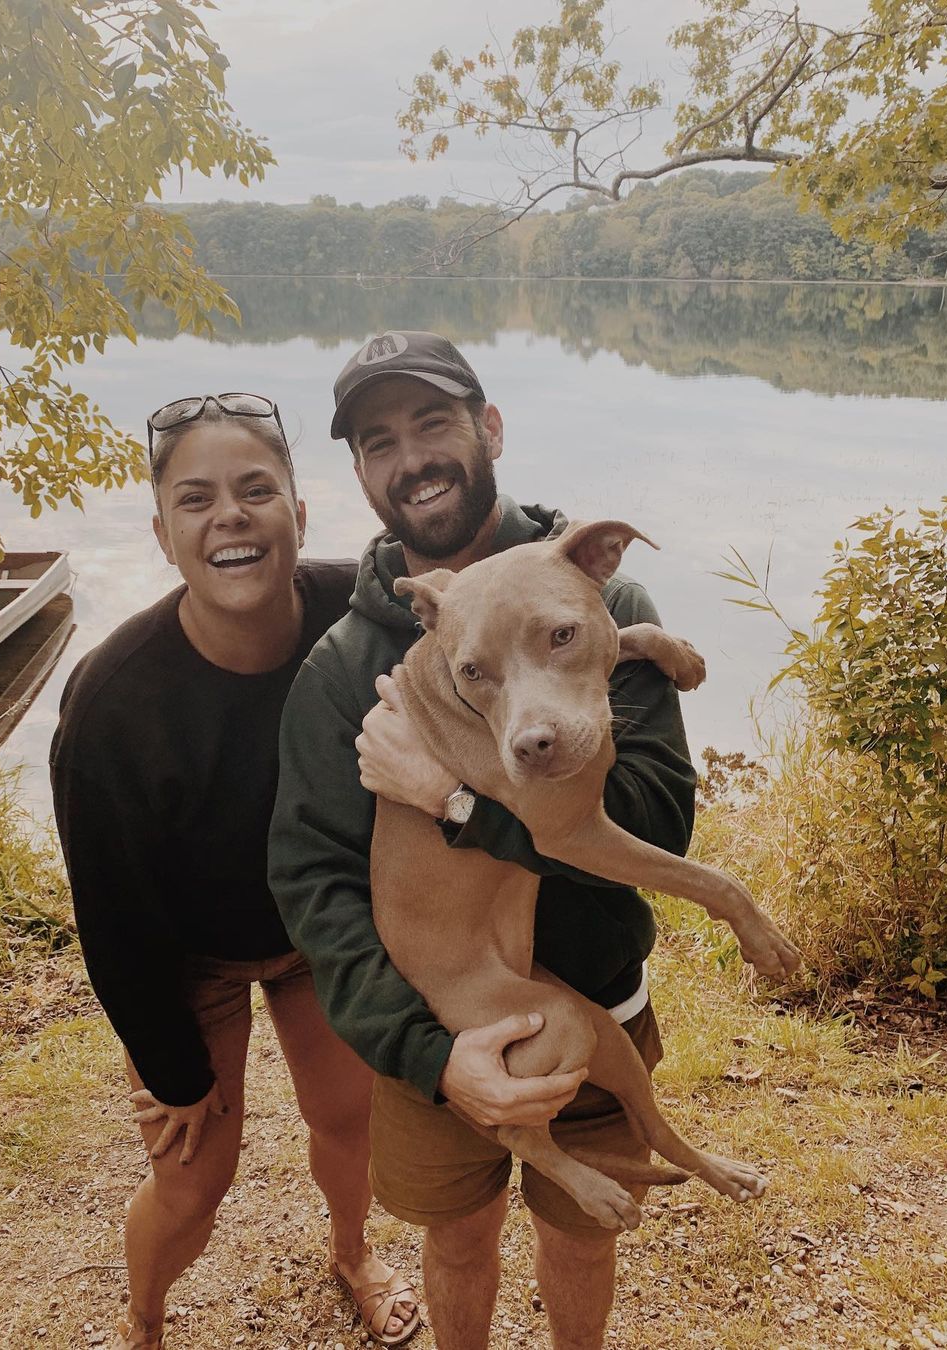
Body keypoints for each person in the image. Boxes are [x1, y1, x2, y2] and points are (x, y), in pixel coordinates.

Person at [269, 333, 697, 1350]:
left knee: (586, 1243)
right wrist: (429, 1054)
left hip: (600, 1000)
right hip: (438, 1041)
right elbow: (313, 879)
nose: (412, 457)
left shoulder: (596, 603)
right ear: (363, 474)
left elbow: (656, 815)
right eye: (380, 441)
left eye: (433, 423)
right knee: (459, 1242)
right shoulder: (349, 662)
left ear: (488, 428)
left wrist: (454, 799)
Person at [49, 393, 420, 1350]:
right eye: (196, 498)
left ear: (299, 515)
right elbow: (113, 918)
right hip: (188, 959)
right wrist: (172, 1071)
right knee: (192, 1179)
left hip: (320, 931)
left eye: (258, 490)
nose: (231, 516)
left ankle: (353, 1252)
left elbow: (484, 620)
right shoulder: (112, 702)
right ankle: (145, 1317)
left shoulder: (364, 616)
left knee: (350, 1120)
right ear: (166, 531)